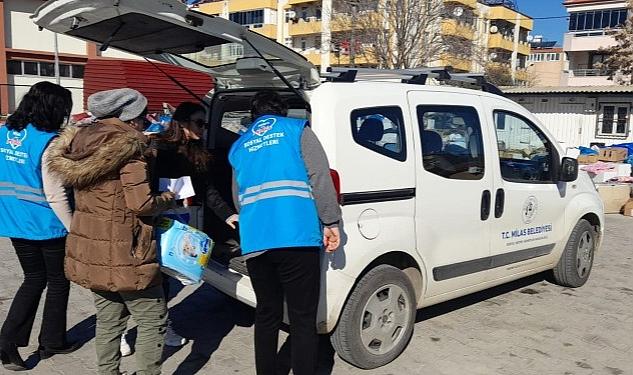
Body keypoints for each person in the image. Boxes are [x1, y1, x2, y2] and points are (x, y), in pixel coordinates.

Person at [47, 88, 175, 375]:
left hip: (93, 251)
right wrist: (168, 198)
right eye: (143, 116)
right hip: (127, 253)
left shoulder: (80, 145)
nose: (145, 122)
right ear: (130, 118)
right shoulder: (129, 151)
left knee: (108, 320)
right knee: (153, 320)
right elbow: (140, 203)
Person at [229, 91, 342, 375]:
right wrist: (331, 221)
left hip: (256, 242)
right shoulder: (297, 131)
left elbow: (238, 198)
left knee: (267, 314)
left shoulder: (240, 146)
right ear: (283, 112)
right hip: (297, 236)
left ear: (254, 116)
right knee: (302, 319)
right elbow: (319, 177)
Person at [0, 82, 78, 371]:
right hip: (46, 224)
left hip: (14, 221)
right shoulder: (49, 142)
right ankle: (45, 341)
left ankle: (18, 341)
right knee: (57, 280)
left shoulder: (5, 134)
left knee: (32, 278)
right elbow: (56, 195)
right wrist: (73, 227)